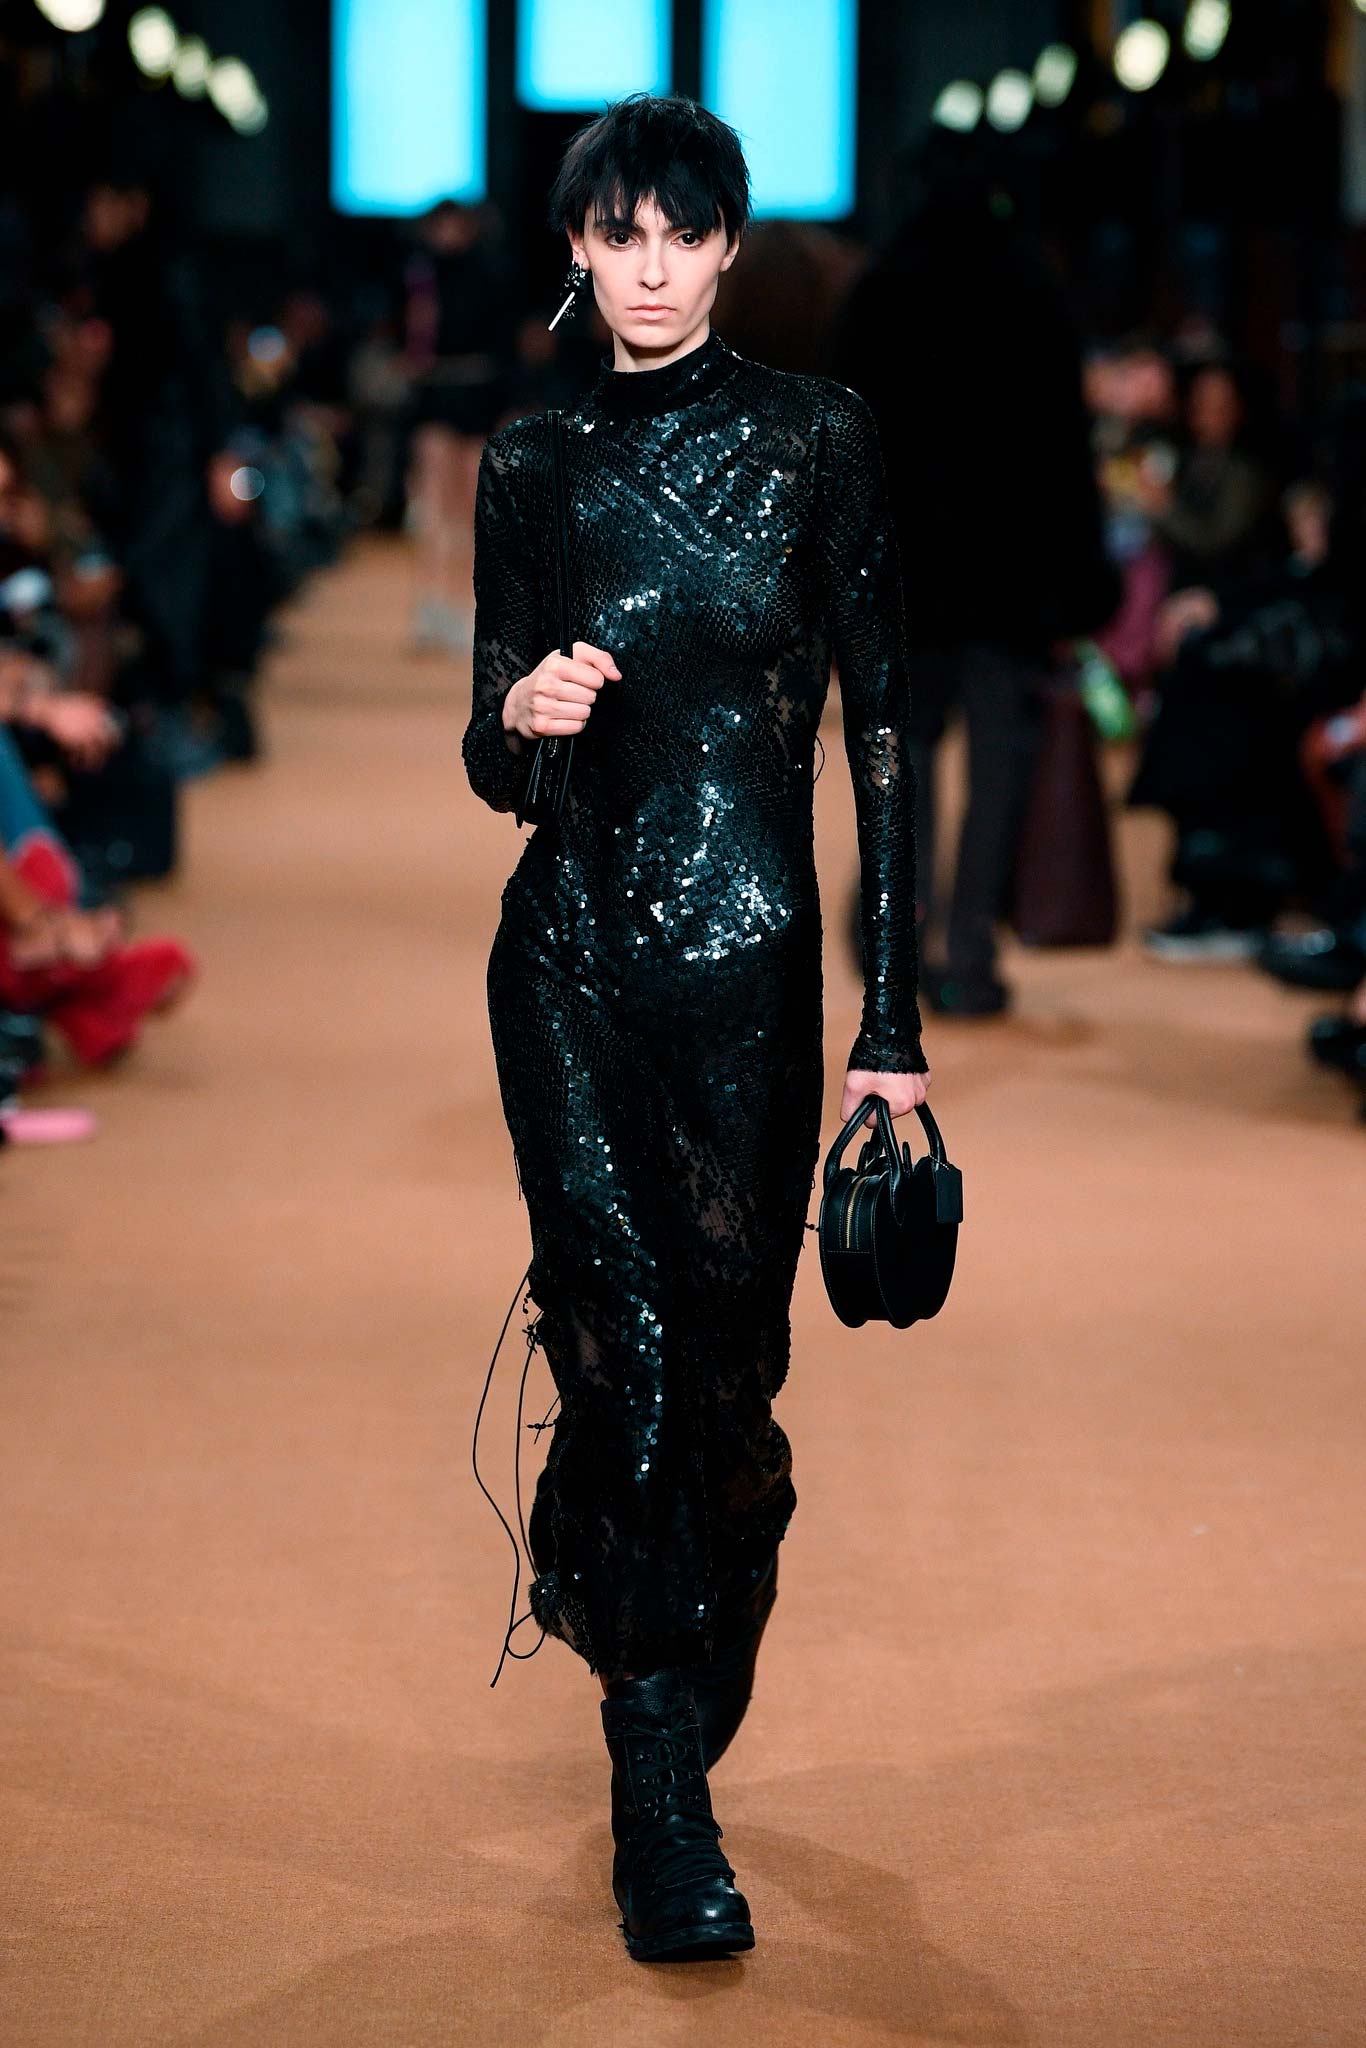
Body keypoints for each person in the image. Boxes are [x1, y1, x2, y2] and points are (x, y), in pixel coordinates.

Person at [461, 92, 932, 1963]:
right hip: (568, 961)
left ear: (730, 245)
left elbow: (880, 735)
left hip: (749, 977)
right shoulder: (531, 461)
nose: (649, 270)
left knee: (730, 1393)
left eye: (682, 234)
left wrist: (892, 1020)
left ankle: (673, 1635)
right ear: (576, 252)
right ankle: (659, 1791)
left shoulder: (821, 441)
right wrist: (525, 719)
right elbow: (491, 756)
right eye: (618, 236)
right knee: (628, 1358)